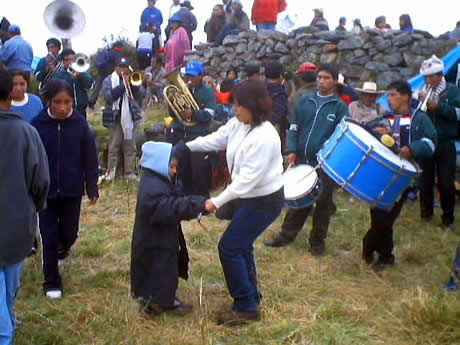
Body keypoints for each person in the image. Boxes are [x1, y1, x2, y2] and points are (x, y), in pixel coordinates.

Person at [184, 79, 284, 325]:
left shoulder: (265, 136)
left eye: (239, 105)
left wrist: (215, 202)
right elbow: (216, 139)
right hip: (248, 198)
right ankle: (252, 295)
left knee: (229, 247)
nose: (234, 109)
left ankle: (246, 308)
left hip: (264, 201)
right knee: (241, 246)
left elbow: (246, 182)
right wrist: (184, 148)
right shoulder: (239, 124)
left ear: (254, 105)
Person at [264, 64, 349, 255]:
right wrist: (292, 150)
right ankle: (285, 235)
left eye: (326, 78)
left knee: (323, 203)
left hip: (326, 164)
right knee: (299, 198)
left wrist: (328, 156)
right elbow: (293, 128)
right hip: (302, 159)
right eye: (319, 77)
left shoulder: (340, 107)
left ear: (335, 81)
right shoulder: (305, 102)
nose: (321, 81)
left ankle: (317, 242)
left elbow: (342, 136)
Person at [31, 80, 99, 298]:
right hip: (45, 192)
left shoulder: (80, 125)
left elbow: (89, 157)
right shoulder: (37, 125)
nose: (62, 107)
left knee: (70, 233)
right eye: (57, 102)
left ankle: (62, 248)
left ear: (73, 102)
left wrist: (92, 186)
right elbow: (29, 157)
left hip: (72, 190)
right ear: (48, 101)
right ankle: (51, 282)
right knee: (48, 236)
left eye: (67, 102)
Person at [362, 80, 436, 271]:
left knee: (386, 215)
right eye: (388, 94)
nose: (389, 98)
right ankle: (377, 251)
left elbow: (430, 142)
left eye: (393, 94)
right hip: (383, 172)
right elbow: (369, 131)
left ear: (405, 96)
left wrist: (412, 148)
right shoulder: (387, 117)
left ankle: (379, 252)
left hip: (404, 177)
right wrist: (377, 132)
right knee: (378, 213)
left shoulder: (419, 119)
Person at [0, 70, 49, 344]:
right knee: (10, 282)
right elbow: (41, 180)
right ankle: (7, 324)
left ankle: (5, 331)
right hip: (19, 225)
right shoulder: (27, 133)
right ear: (12, 93)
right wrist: (33, 208)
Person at [131, 141, 206, 316]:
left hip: (159, 239)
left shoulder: (156, 180)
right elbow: (170, 207)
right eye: (171, 166)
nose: (174, 171)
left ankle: (154, 299)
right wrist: (197, 205)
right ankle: (159, 302)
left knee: (161, 269)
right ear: (158, 163)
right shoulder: (153, 188)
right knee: (160, 270)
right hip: (155, 242)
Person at [418, 55, 460, 231]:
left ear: (440, 75)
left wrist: (439, 107)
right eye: (426, 77)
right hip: (427, 143)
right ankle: (426, 215)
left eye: (430, 76)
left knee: (446, 182)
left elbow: (458, 114)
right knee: (424, 180)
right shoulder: (423, 89)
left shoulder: (453, 91)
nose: (428, 80)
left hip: (445, 142)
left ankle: (448, 219)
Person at [168, 61, 217, 197]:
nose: (190, 79)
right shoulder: (182, 90)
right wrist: (171, 103)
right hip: (179, 133)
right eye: (188, 76)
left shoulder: (207, 92)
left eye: (193, 76)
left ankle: (201, 201)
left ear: (201, 75)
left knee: (198, 170)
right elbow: (173, 114)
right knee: (181, 169)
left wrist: (193, 114)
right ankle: (182, 199)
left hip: (197, 135)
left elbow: (210, 114)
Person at [103, 58, 145, 181]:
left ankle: (129, 172)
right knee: (114, 146)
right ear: (116, 67)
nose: (123, 70)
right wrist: (123, 86)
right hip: (115, 117)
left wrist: (133, 85)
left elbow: (140, 94)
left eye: (125, 67)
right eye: (121, 67)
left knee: (130, 147)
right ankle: (111, 172)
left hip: (130, 117)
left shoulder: (131, 78)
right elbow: (109, 97)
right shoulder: (108, 80)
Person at [52, 49, 93, 118]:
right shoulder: (58, 75)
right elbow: (58, 88)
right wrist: (71, 79)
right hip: (65, 109)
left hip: (81, 109)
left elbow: (89, 84)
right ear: (63, 61)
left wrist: (80, 75)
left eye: (72, 59)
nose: (70, 62)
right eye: (67, 60)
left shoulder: (82, 72)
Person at [264, 60, 288, 149]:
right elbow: (279, 114)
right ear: (280, 75)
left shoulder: (259, 88)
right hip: (274, 132)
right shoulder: (279, 92)